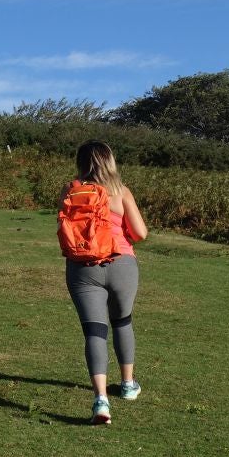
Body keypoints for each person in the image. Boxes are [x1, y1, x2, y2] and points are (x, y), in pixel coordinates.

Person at [63, 140, 148, 425]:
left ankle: (100, 400)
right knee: (122, 321)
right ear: (109, 161)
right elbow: (140, 233)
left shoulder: (71, 190)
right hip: (121, 263)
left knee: (94, 332)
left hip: (82, 267)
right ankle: (127, 384)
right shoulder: (121, 192)